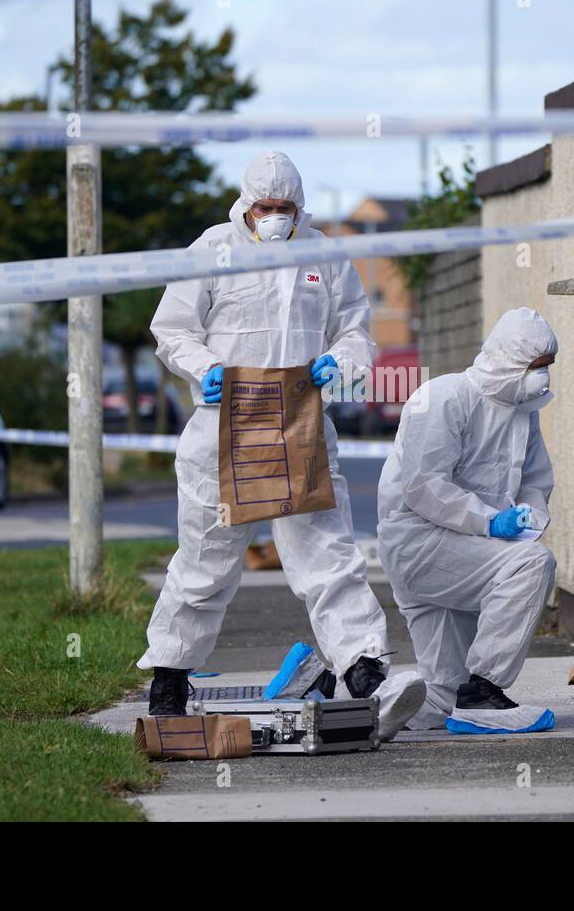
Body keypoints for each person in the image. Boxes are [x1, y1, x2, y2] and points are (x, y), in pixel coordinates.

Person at [137, 150, 424, 740]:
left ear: (300, 206)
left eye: (285, 207)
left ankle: (368, 675)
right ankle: (169, 681)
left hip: (301, 428)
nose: (274, 216)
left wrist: (339, 363)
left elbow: (354, 330)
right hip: (226, 430)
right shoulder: (211, 250)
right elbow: (171, 330)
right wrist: (205, 367)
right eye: (264, 207)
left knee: (329, 557)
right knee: (204, 564)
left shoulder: (323, 253)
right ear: (246, 204)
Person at [377, 308, 558, 733]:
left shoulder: (522, 410)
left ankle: (323, 688)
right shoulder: (444, 396)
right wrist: (492, 522)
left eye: (547, 367)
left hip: (463, 550)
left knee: (439, 700)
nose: (543, 376)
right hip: (421, 543)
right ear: (510, 360)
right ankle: (485, 693)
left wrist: (529, 517)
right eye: (536, 367)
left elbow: (535, 479)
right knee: (532, 564)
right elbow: (423, 487)